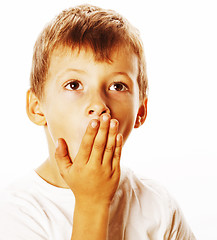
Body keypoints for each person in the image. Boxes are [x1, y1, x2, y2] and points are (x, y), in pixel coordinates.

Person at [0, 4, 196, 240]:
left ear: (141, 111)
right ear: (36, 107)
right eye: (74, 85)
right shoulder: (15, 213)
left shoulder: (159, 207)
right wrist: (92, 202)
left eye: (117, 86)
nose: (99, 104)